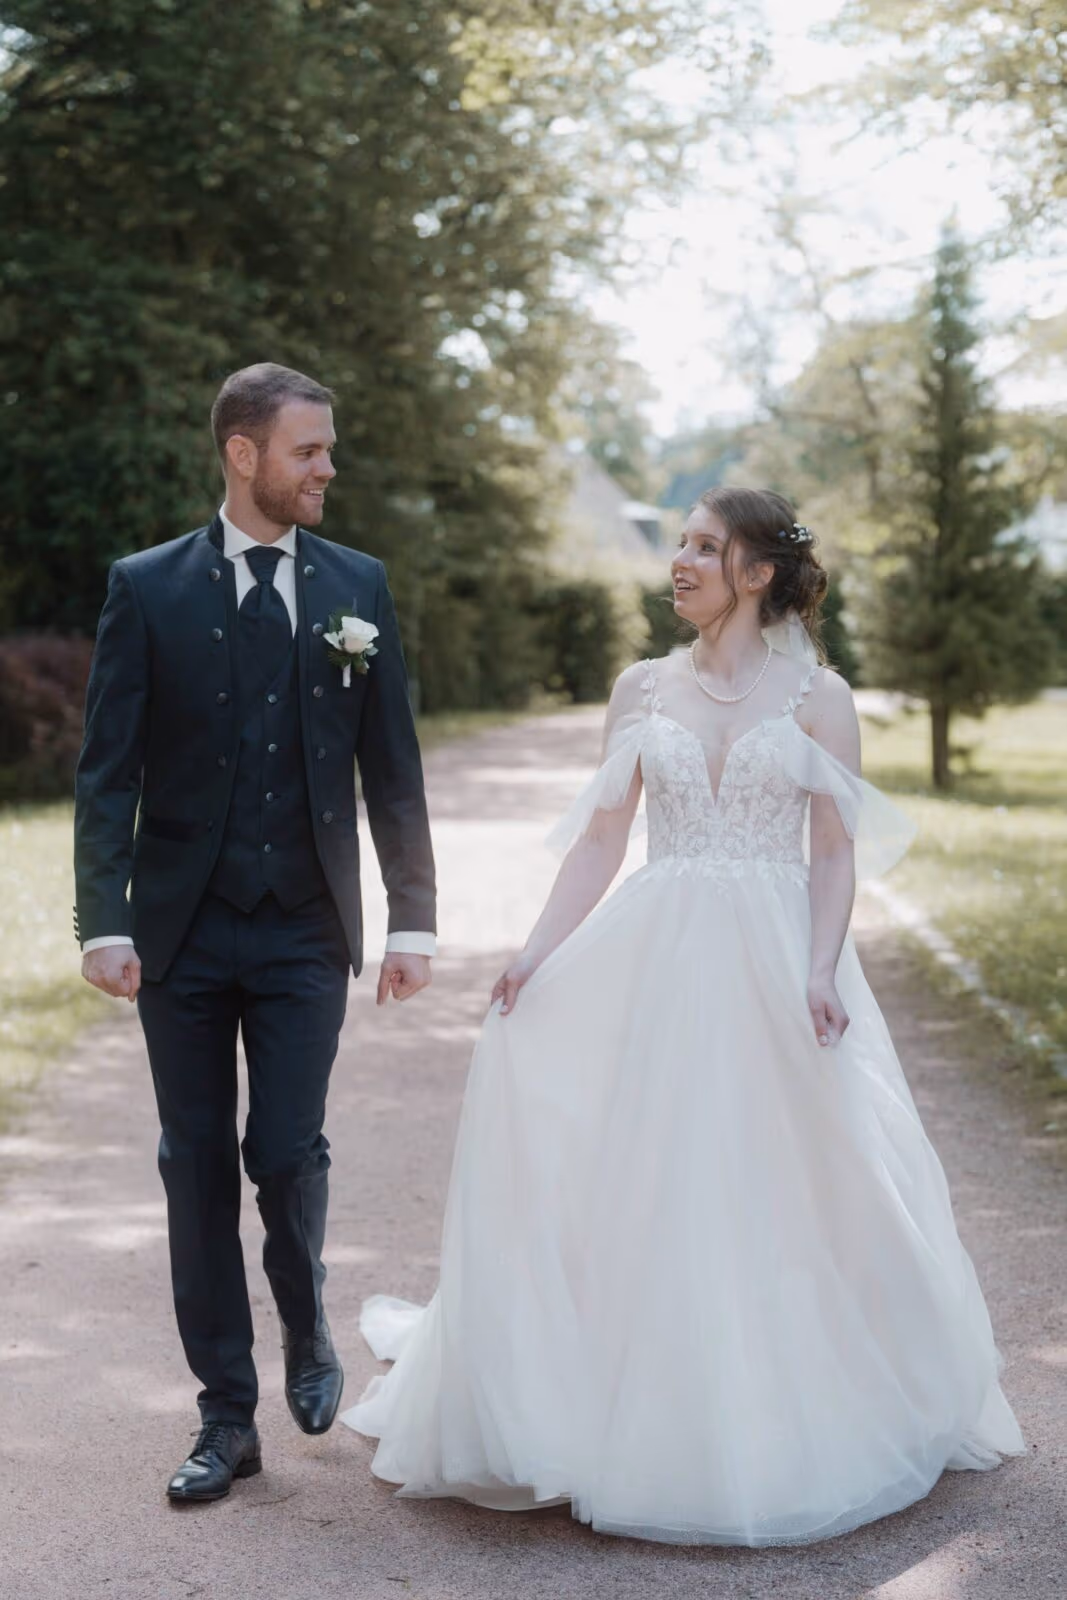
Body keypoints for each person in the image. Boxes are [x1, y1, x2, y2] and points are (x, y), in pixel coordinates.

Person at [341, 486, 1023, 1546]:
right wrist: (534, 952)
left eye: (706, 547)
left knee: (784, 1174)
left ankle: (784, 1401)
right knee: (642, 1167)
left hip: (772, 959)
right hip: (654, 951)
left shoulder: (819, 697)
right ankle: (616, 1395)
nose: (682, 561)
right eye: (681, 544)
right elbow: (600, 842)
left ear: (757, 573)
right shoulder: (640, 687)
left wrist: (819, 967)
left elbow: (832, 854)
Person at [73, 362, 436, 1503]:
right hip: (179, 936)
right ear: (244, 455)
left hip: (302, 928)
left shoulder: (358, 584)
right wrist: (103, 921)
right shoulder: (147, 587)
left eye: (327, 449)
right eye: (307, 450)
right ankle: (225, 1417)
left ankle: (308, 1321)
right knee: (193, 1168)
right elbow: (106, 772)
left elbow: (393, 768)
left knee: (282, 1150)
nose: (327, 468)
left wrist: (413, 918)